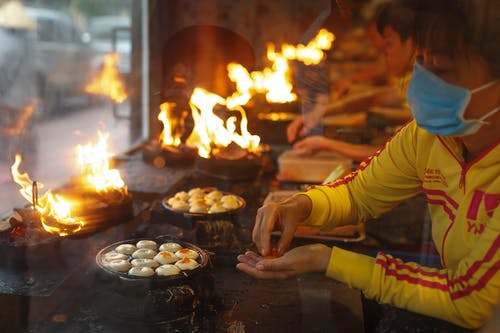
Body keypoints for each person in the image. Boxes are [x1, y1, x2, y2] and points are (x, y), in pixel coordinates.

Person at [237, 0, 500, 331]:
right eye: (421, 63)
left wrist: (328, 259)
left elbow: (470, 300)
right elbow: (359, 193)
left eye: (443, 71)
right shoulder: (427, 138)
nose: (425, 82)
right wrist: (303, 205)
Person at [292, 0, 417, 162]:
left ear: (415, 43)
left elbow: (396, 157)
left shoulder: (428, 91)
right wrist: (319, 113)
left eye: (388, 44)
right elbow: (374, 98)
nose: (382, 53)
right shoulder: (413, 79)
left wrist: (327, 143)